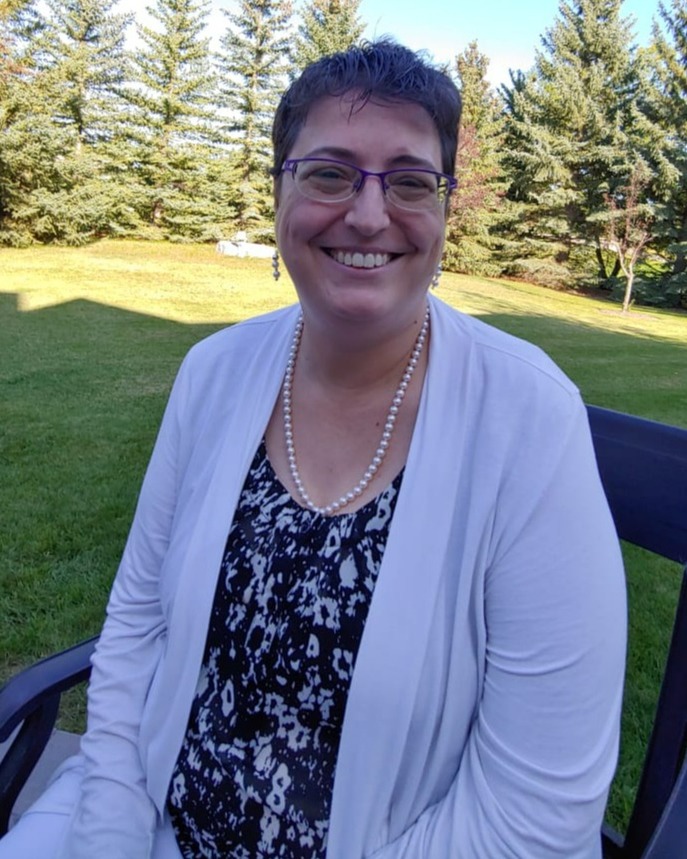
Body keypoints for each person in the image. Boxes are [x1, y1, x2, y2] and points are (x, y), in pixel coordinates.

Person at [0, 38, 626, 858]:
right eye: (329, 173)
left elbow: (535, 816)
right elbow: (136, 625)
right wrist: (110, 834)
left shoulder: (529, 417)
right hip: (148, 819)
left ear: (443, 210)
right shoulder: (213, 371)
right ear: (278, 192)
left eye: (409, 181)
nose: (367, 214)